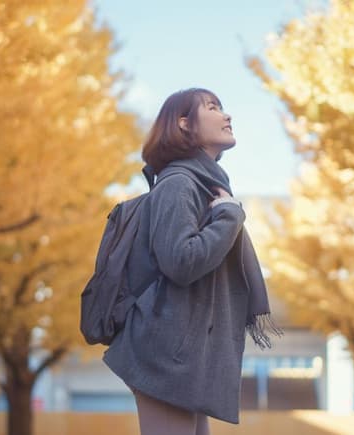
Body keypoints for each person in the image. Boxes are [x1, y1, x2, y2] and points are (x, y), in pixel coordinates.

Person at [102, 88, 280, 435]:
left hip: (184, 358)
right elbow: (181, 262)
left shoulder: (203, 185)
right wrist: (229, 217)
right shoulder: (179, 184)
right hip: (166, 356)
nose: (226, 115)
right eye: (213, 107)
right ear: (184, 124)